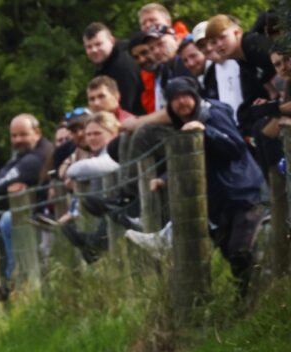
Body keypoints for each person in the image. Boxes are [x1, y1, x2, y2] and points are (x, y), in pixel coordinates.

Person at [154, 77, 265, 296]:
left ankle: (260, 293)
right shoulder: (181, 126)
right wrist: (165, 178)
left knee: (240, 250)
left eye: (185, 95)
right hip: (218, 201)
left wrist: (205, 131)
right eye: (174, 99)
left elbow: (235, 148)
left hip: (243, 194)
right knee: (230, 253)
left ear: (195, 95)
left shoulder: (212, 114)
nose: (181, 102)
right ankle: (247, 299)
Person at [0, 114, 53, 290]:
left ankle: (15, 276)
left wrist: (11, 172)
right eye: (14, 136)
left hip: (43, 214)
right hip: (36, 212)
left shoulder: (35, 157)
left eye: (23, 134)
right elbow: (0, 179)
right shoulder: (24, 154)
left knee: (8, 221)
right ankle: (17, 278)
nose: (17, 140)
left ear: (37, 132)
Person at [59, 112, 122, 263]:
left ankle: (95, 243)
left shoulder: (113, 150)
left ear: (113, 133)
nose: (92, 138)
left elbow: (80, 169)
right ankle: (93, 243)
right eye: (89, 134)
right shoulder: (96, 156)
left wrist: (70, 169)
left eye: (97, 133)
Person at [205, 14, 277, 133]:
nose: (218, 45)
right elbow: (271, 90)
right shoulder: (242, 60)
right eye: (213, 42)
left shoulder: (252, 45)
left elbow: (284, 75)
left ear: (237, 32)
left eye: (223, 37)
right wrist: (269, 104)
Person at [84, 23, 145, 116]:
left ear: (112, 41)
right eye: (89, 47)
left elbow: (125, 108)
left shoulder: (123, 66)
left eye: (98, 44)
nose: (94, 50)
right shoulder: (107, 62)